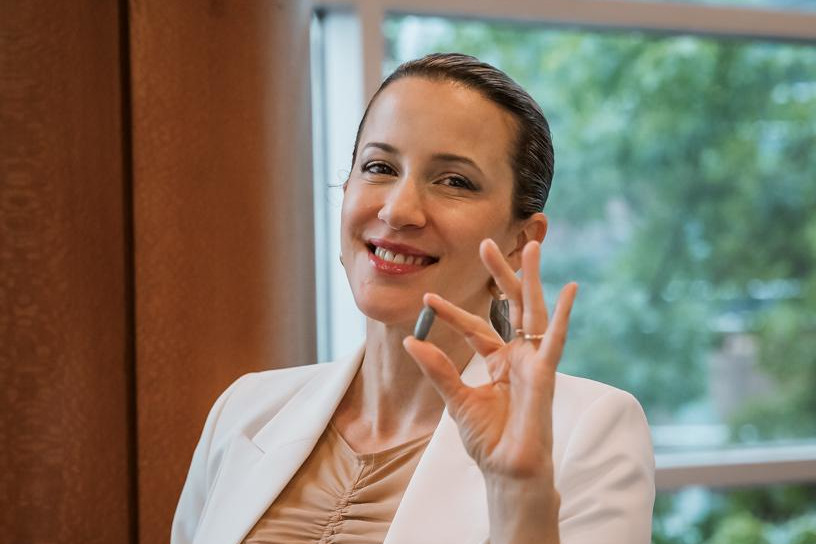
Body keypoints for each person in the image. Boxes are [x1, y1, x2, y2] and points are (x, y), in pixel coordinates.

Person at [171, 53, 654, 544]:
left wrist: (519, 495)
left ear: (520, 242)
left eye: (454, 181)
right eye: (379, 167)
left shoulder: (588, 428)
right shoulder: (245, 410)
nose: (399, 210)